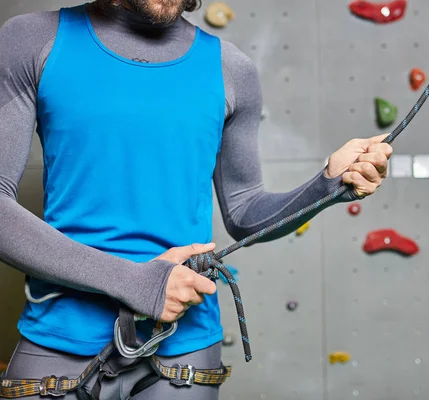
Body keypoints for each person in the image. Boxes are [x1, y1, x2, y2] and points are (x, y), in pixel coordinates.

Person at [0, 0, 392, 398]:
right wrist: (135, 283)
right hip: (61, 335)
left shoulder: (231, 68)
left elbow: (244, 210)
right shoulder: (33, 40)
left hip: (182, 348)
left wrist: (326, 184)